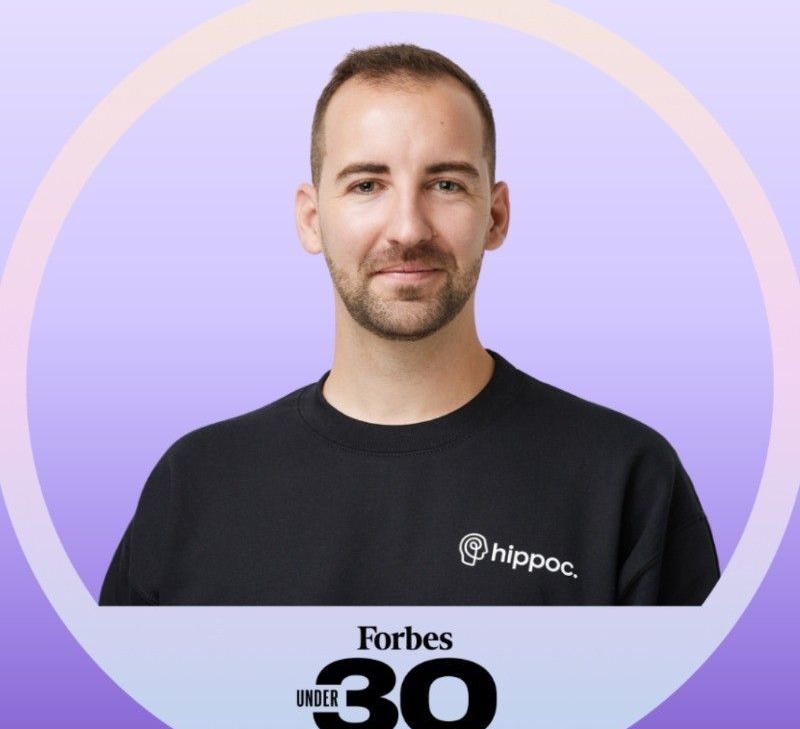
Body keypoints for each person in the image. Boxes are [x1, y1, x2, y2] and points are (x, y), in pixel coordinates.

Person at [99, 43, 720, 606]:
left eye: (445, 184)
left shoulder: (626, 480)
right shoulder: (196, 486)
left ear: (496, 216)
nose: (408, 229)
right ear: (312, 219)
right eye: (367, 184)